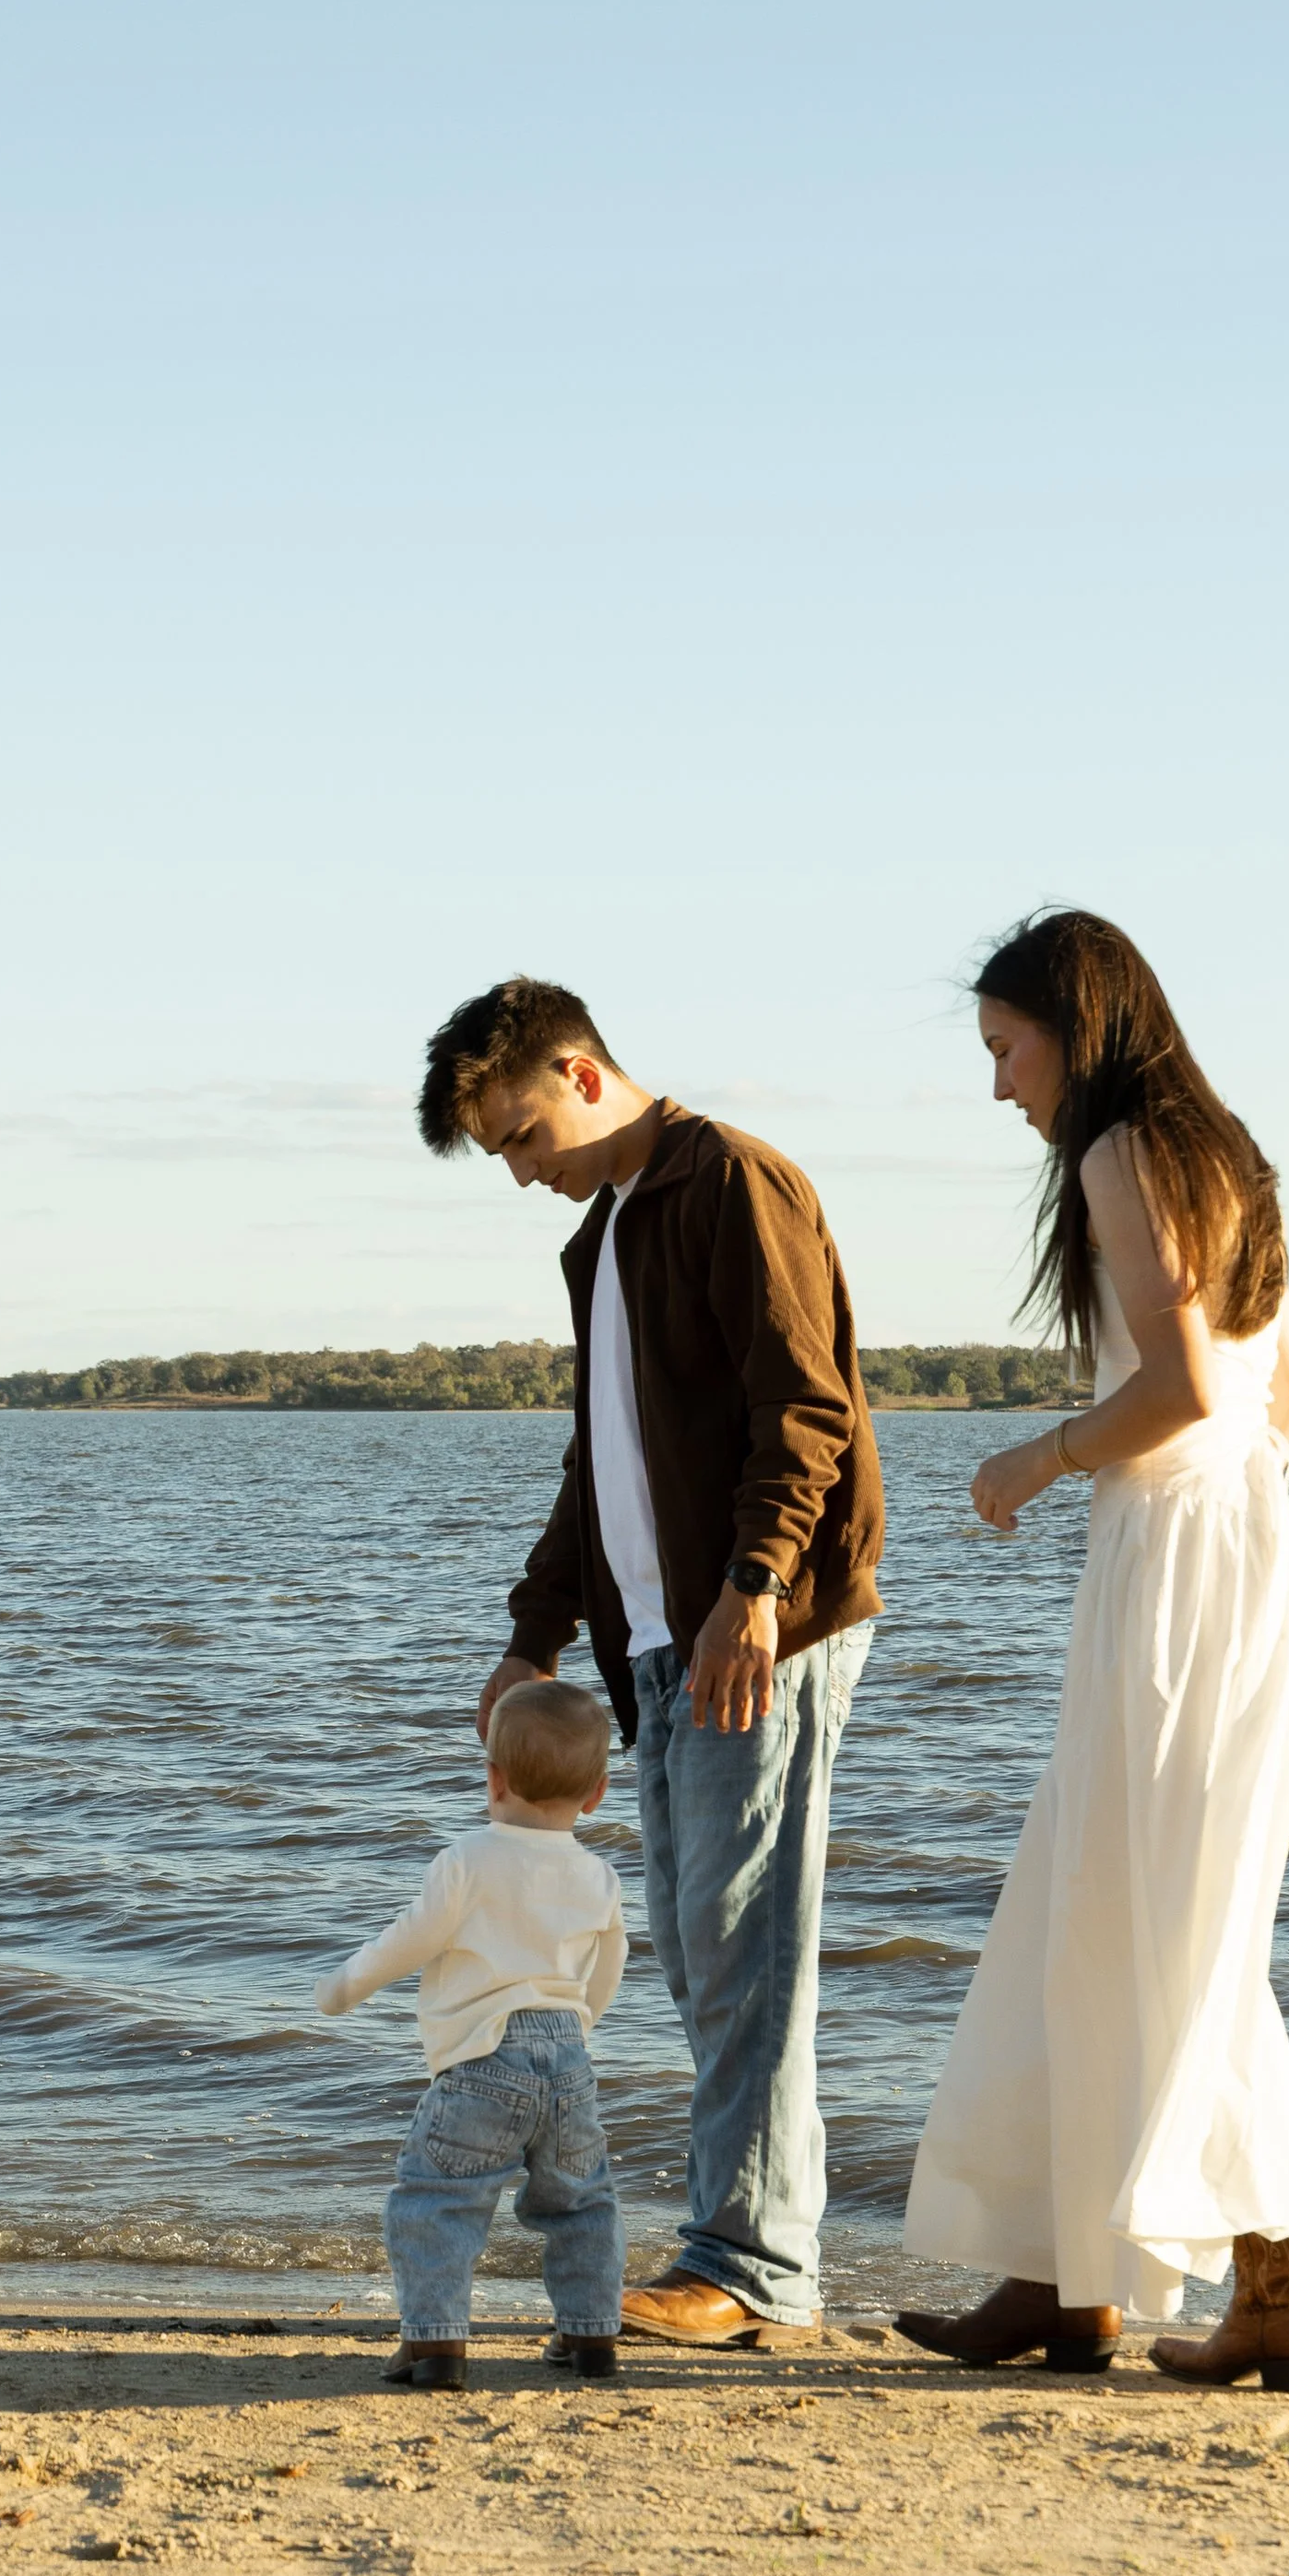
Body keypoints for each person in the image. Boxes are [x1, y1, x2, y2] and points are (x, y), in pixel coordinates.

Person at [895, 908, 1289, 2390]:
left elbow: (1189, 1383)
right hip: (1245, 1550)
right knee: (1129, 1904)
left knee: (1153, 1913)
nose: (1002, 1084)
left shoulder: (1124, 1151)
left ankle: (1260, 2287)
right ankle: (1070, 2278)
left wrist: (1044, 1455)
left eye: (1008, 1049)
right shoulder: (1227, 1152)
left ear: (1078, 1028)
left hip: (1176, 1563)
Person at [417, 976, 883, 2346]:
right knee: (695, 1946)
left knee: (744, 1945)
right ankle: (754, 2250)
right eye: (500, 1154)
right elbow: (597, 1457)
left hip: (758, 1622)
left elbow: (805, 1403)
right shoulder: (603, 1235)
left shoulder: (733, 1183)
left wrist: (756, 1584)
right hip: (662, 1633)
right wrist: (532, 1631)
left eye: (520, 1137)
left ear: (582, 1073)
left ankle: (750, 2268)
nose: (520, 1173)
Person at [316, 1677, 629, 2390]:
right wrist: (578, 2028)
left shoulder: (468, 1858)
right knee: (582, 2201)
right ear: (597, 1793)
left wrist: (344, 1987)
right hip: (569, 2058)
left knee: (437, 2200)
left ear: (493, 1779)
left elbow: (409, 1939)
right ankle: (591, 2335)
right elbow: (609, 1966)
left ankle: (438, 2345)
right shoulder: (598, 1873)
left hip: (482, 2058)